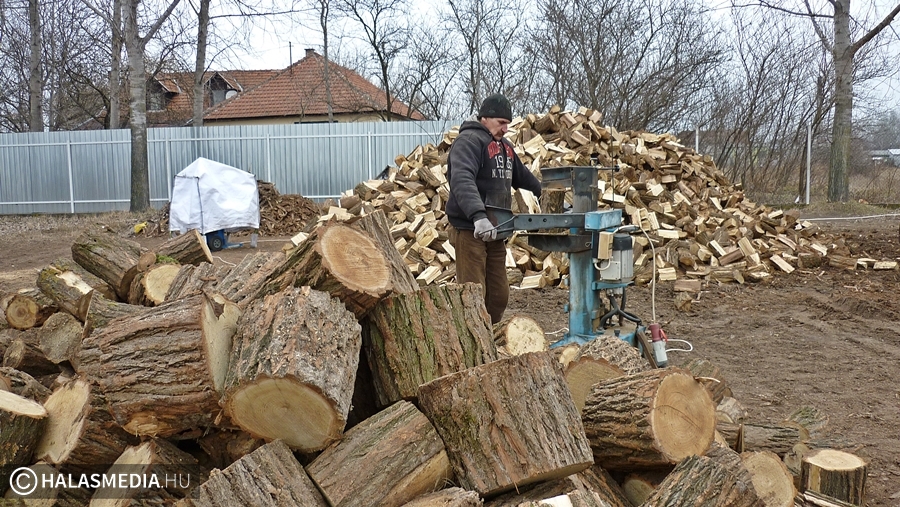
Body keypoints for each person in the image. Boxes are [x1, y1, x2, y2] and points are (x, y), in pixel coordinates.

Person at [446, 93, 542, 324]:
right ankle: (473, 344)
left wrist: (546, 196)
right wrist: (478, 216)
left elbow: (524, 179)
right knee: (473, 295)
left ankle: (493, 338)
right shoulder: (468, 142)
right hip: (471, 230)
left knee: (498, 296)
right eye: (501, 123)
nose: (505, 129)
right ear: (485, 119)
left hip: (498, 231)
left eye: (508, 123)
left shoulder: (504, 148)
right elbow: (462, 179)